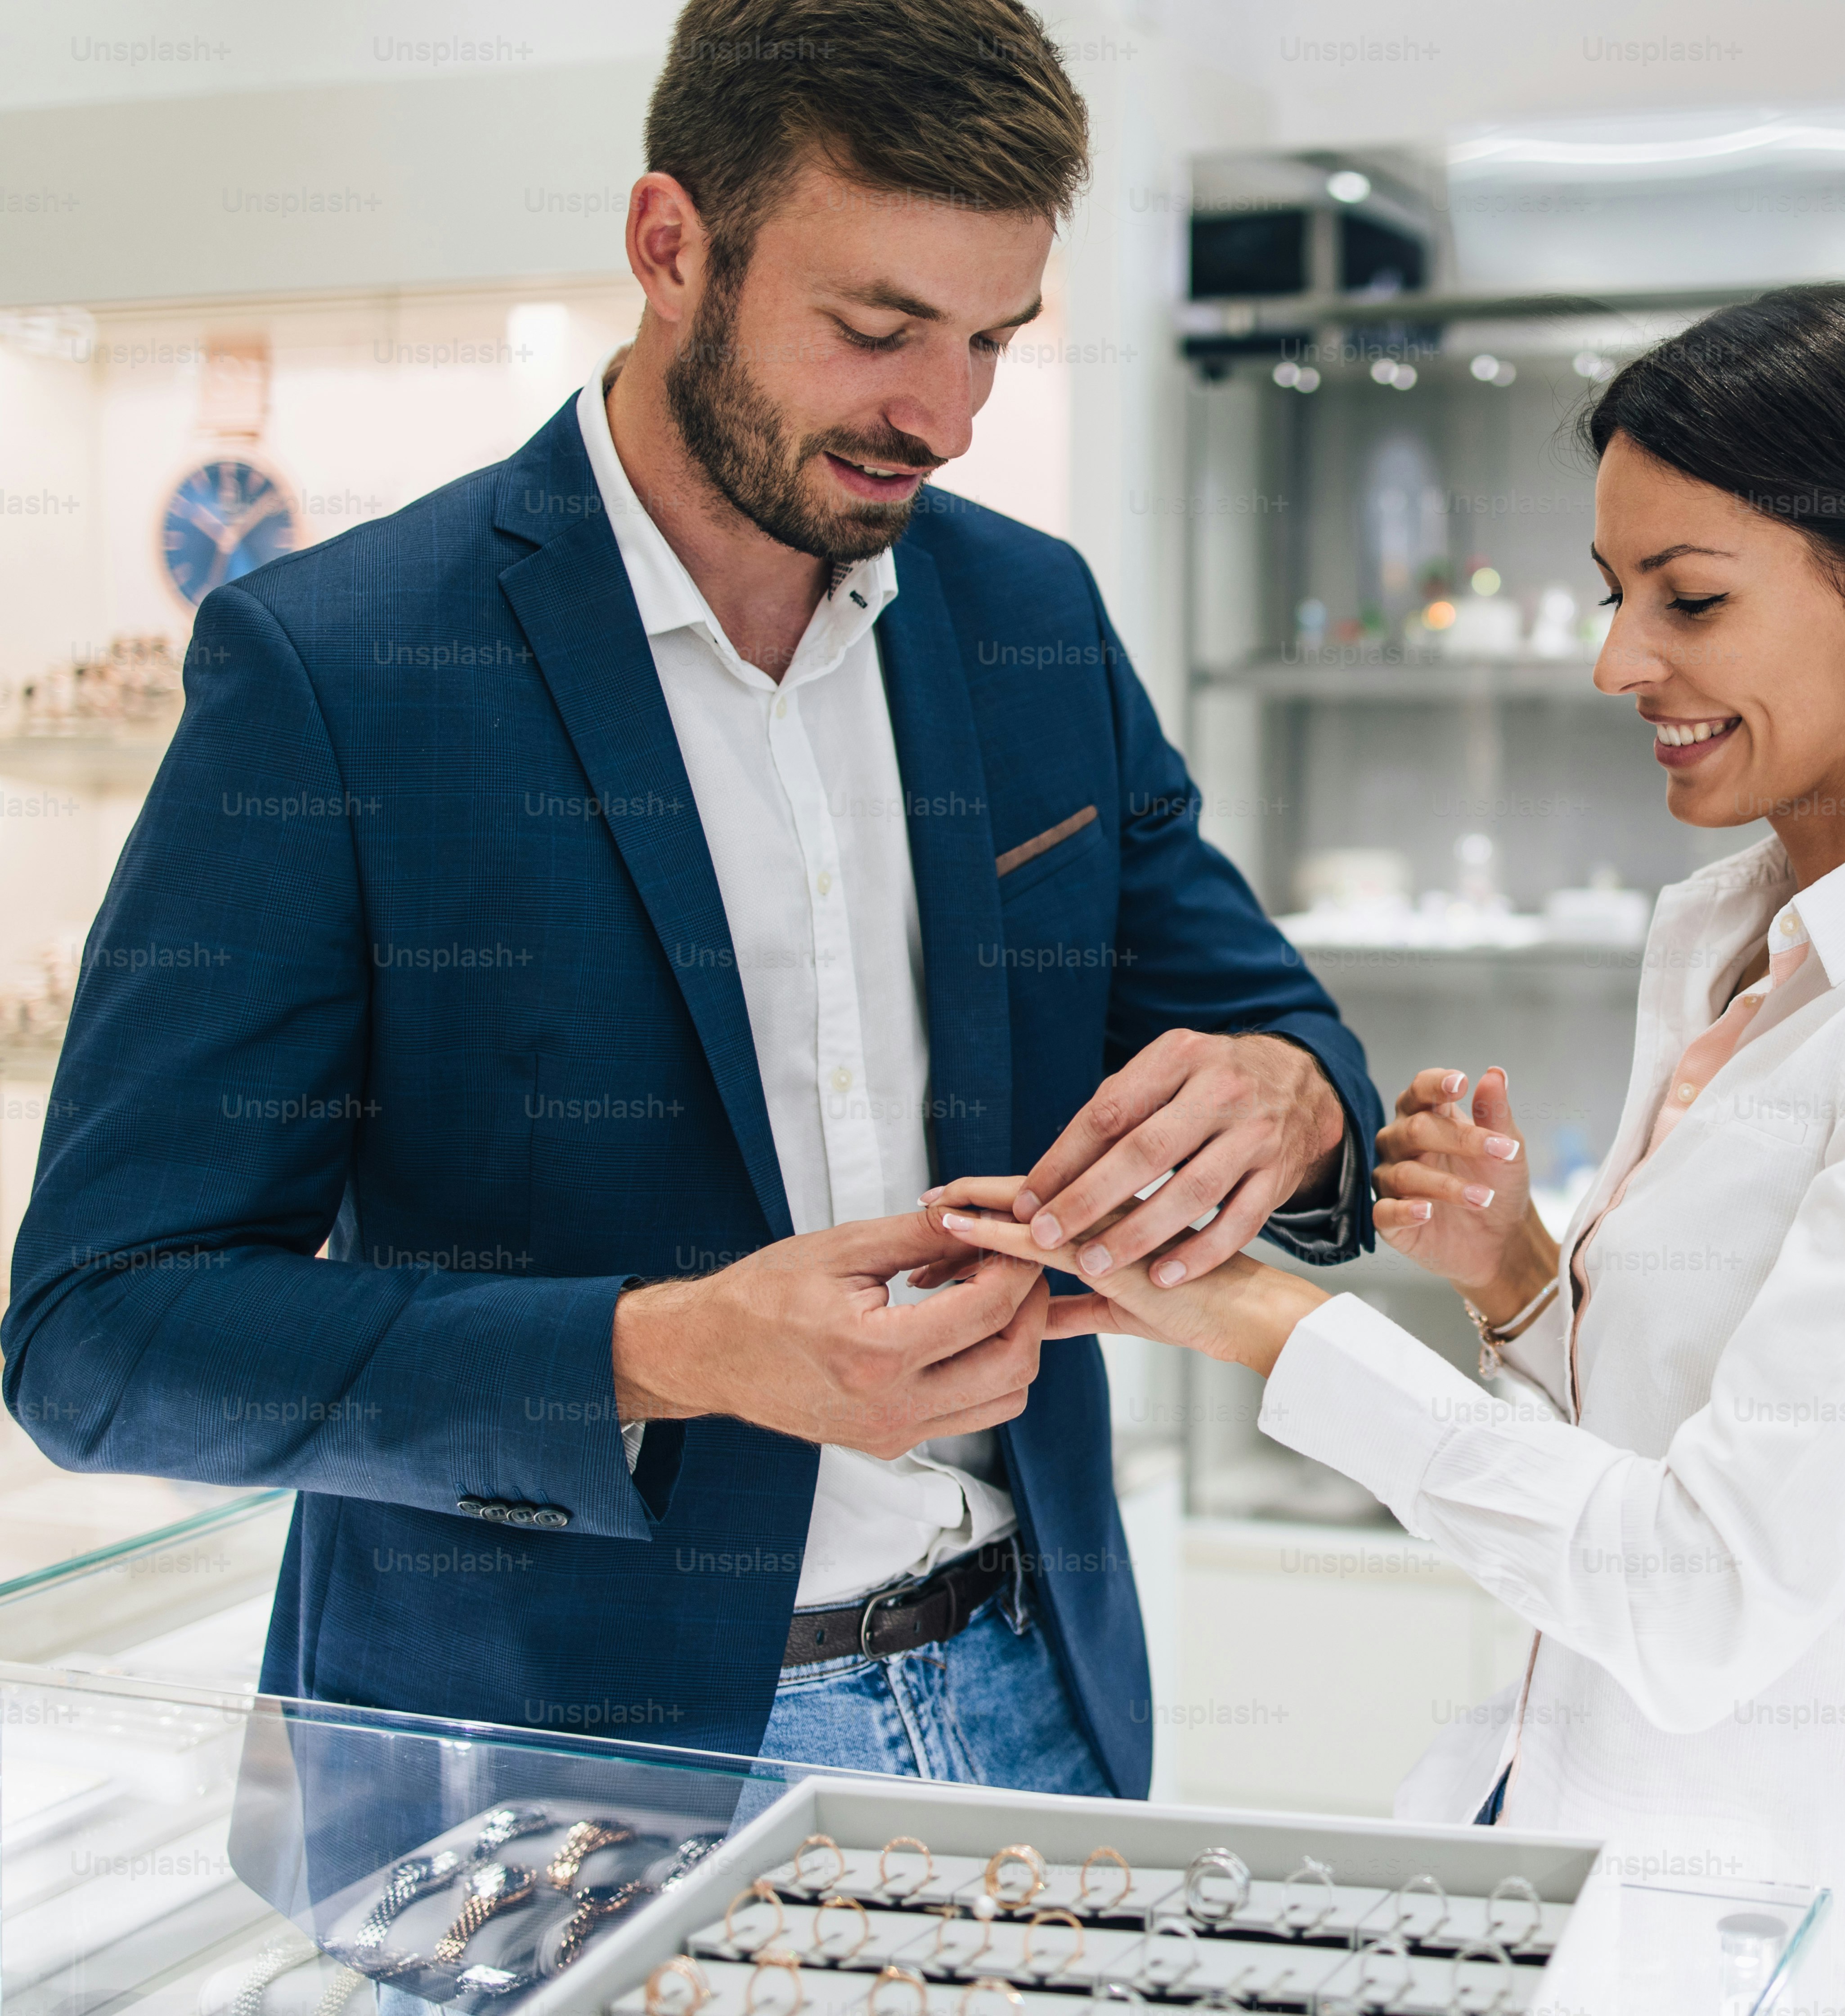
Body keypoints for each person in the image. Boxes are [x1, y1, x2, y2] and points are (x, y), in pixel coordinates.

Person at [0, 0, 1379, 1806]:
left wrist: (1294, 1093)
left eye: (992, 340)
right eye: (877, 330)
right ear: (672, 247)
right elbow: (104, 1336)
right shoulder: (342, 670)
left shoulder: (1027, 615)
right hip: (540, 1770)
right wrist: (672, 1348)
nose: (944, 417)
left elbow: (1279, 1028)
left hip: (1030, 1705)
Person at [930, 283, 1845, 2002]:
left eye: (1690, 599)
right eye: (1618, 597)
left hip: (1816, 1947)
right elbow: (1649, 1473)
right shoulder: (1729, 942)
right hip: (1586, 1892)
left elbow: (1701, 1597)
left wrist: (1264, 1319)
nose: (1620, 661)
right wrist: (1527, 1287)